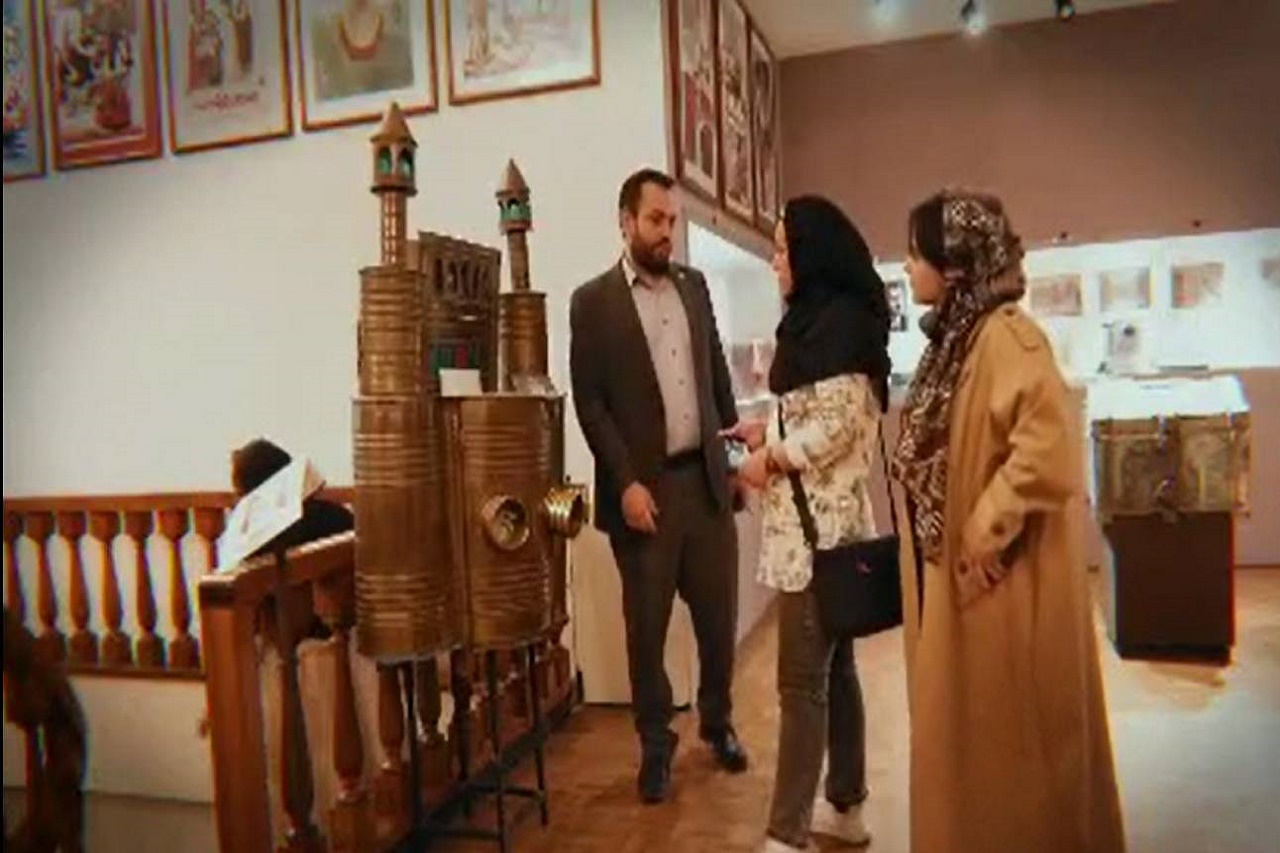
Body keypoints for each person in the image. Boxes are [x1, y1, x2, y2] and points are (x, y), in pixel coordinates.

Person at [891, 189, 1126, 853]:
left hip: (1001, 592)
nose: (906, 265)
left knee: (1013, 761)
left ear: (955, 264)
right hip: (965, 589)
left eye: (916, 253)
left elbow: (1047, 447)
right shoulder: (958, 341)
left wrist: (986, 527)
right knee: (971, 752)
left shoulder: (1007, 338)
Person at [569, 167, 748, 804]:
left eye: (671, 220)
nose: (666, 231)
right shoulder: (592, 303)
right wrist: (624, 483)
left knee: (719, 625)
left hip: (705, 486)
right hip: (645, 497)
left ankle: (718, 723)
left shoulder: (694, 289)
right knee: (646, 633)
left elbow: (717, 379)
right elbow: (591, 405)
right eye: (655, 219)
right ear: (626, 222)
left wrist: (732, 460)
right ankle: (655, 746)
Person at [727, 196, 891, 852]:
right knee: (835, 674)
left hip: (815, 541)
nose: (775, 261)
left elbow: (837, 428)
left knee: (801, 685)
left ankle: (785, 834)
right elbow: (818, 416)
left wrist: (769, 457)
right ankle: (845, 807)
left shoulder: (841, 329)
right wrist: (765, 431)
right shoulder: (828, 325)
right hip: (824, 536)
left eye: (783, 248)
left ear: (813, 254)